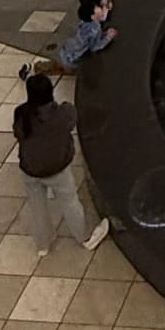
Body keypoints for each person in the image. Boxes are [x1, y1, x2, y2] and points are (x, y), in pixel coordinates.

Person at [12, 69, 110, 254]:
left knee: (37, 207)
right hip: (57, 169)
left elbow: (18, 133)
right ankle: (85, 237)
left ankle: (43, 245)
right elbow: (73, 118)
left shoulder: (21, 114)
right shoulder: (62, 113)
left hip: (29, 169)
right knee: (69, 202)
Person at [55, 0, 117, 69]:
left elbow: (100, 18)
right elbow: (95, 46)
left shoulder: (87, 22)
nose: (100, 7)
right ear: (92, 16)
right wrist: (108, 37)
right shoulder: (93, 30)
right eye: (97, 7)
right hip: (73, 57)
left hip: (67, 50)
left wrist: (107, 9)